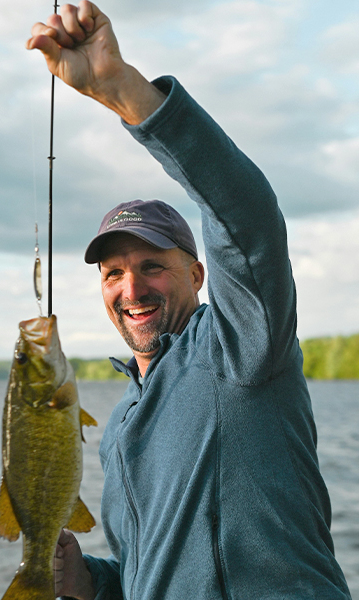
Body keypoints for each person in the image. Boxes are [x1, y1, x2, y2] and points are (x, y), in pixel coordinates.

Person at [26, 3, 352, 599]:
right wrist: (90, 582)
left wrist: (124, 90)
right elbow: (143, 572)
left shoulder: (241, 347)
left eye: (153, 266)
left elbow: (246, 216)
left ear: (199, 273)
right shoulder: (119, 424)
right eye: (113, 274)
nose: (132, 290)